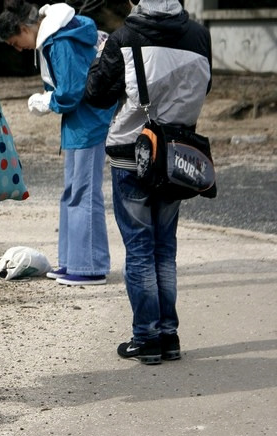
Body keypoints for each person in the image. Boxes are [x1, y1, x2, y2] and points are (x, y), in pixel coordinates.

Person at [84, 0, 212, 364]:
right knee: (164, 248)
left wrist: (101, 57)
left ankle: (147, 337)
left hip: (132, 154)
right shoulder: (200, 36)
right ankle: (168, 334)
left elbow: (95, 93)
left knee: (140, 249)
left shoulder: (125, 36)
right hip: (176, 155)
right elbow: (205, 87)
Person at [0, 0, 114, 287]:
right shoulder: (58, 36)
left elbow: (71, 91)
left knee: (83, 192)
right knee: (74, 192)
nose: (18, 48)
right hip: (81, 123)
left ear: (25, 28)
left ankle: (89, 267)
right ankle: (74, 262)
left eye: (15, 41)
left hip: (87, 122)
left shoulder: (59, 40)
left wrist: (48, 100)